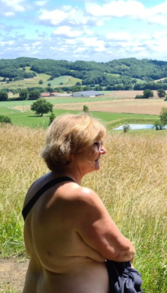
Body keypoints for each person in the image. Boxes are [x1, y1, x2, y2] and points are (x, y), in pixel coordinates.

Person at [22, 114, 136, 293]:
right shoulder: (79, 197)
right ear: (72, 150)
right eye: (96, 144)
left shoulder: (38, 187)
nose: (103, 151)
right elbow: (122, 251)